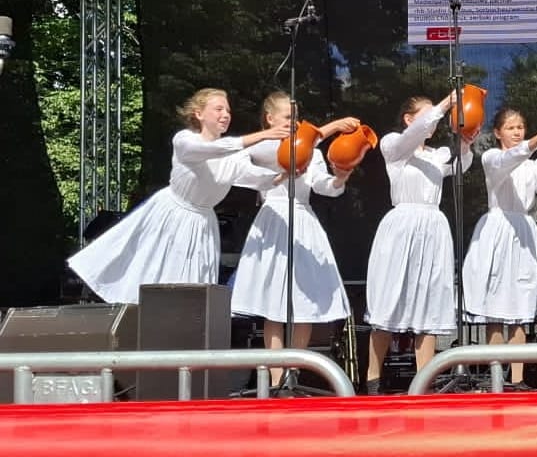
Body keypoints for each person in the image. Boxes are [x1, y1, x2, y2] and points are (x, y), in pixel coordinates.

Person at [68, 88, 288, 305]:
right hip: (173, 216)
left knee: (195, 284)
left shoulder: (234, 157)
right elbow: (213, 149)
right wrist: (263, 135)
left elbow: (258, 178)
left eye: (228, 111)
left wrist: (287, 173)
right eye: (219, 109)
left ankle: (187, 322)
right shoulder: (185, 140)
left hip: (203, 223)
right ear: (198, 114)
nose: (225, 115)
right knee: (159, 273)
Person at [229, 91, 360, 385]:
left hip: (302, 219)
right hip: (273, 219)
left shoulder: (312, 152)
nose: (295, 122)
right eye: (288, 117)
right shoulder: (263, 146)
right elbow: (241, 160)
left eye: (296, 117)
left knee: (304, 300)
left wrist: (340, 176)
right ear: (270, 118)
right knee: (272, 303)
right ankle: (276, 377)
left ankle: (293, 371)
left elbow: (324, 186)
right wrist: (331, 127)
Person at [364, 91, 473, 396]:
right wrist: (444, 104)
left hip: (433, 227)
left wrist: (466, 142)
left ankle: (424, 382)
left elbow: (460, 166)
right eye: (425, 114)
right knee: (388, 301)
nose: (433, 120)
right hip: (402, 226)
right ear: (408, 118)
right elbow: (413, 134)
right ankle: (373, 379)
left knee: (428, 301)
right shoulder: (393, 146)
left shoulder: (436, 155)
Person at [462, 108, 537, 389]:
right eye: (510, 128)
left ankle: (517, 379)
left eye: (520, 127)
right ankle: (497, 377)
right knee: (496, 311)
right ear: (498, 133)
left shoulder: (534, 166)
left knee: (520, 308)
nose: (517, 132)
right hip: (498, 229)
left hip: (523, 231)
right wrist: (535, 141)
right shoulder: (491, 157)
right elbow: (509, 159)